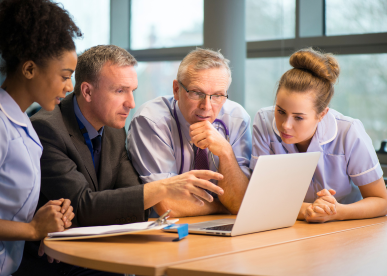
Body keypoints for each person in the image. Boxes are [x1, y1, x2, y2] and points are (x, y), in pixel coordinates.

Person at [17, 45, 224, 276]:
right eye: (120, 91)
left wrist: (89, 215)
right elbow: (85, 205)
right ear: (87, 92)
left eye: (132, 91)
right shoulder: (46, 129)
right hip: (58, 264)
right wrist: (165, 187)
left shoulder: (114, 128)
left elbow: (133, 204)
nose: (131, 103)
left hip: (104, 255)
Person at [251, 48, 387, 223]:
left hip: (346, 231)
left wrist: (335, 212)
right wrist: (308, 210)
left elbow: (382, 202)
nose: (286, 125)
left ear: (322, 114)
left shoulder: (349, 132)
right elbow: (259, 195)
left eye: (299, 117)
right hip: (292, 228)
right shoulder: (263, 120)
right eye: (281, 111)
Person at [0, 0, 80, 275]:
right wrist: (33, 229)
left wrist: (48, 219)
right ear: (30, 69)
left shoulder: (24, 123)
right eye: (65, 76)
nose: (70, 87)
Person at [127, 48, 252, 217]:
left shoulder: (236, 118)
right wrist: (222, 207)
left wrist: (226, 152)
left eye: (217, 96)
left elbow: (241, 203)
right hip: (165, 232)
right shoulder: (151, 120)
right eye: (196, 93)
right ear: (176, 89)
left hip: (219, 229)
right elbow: (167, 206)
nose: (206, 106)